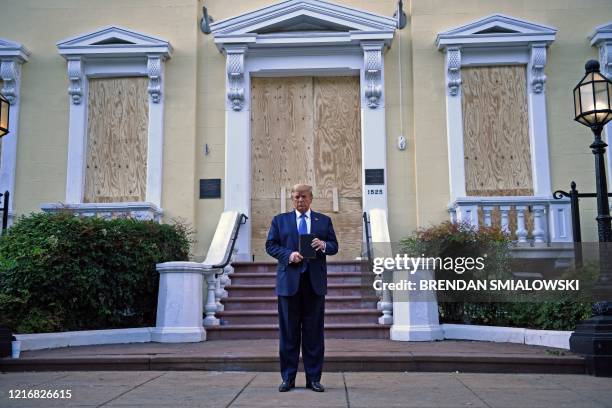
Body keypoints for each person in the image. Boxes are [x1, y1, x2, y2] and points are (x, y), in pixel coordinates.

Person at [265, 184, 338, 393]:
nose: (300, 200)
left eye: (303, 197)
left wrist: (323, 245)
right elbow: (270, 245)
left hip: (314, 285)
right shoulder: (280, 221)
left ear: (311, 198)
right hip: (289, 284)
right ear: (292, 199)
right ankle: (288, 378)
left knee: (314, 334)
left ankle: (313, 379)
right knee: (288, 333)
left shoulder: (324, 221)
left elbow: (334, 246)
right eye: (296, 197)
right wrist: (289, 255)